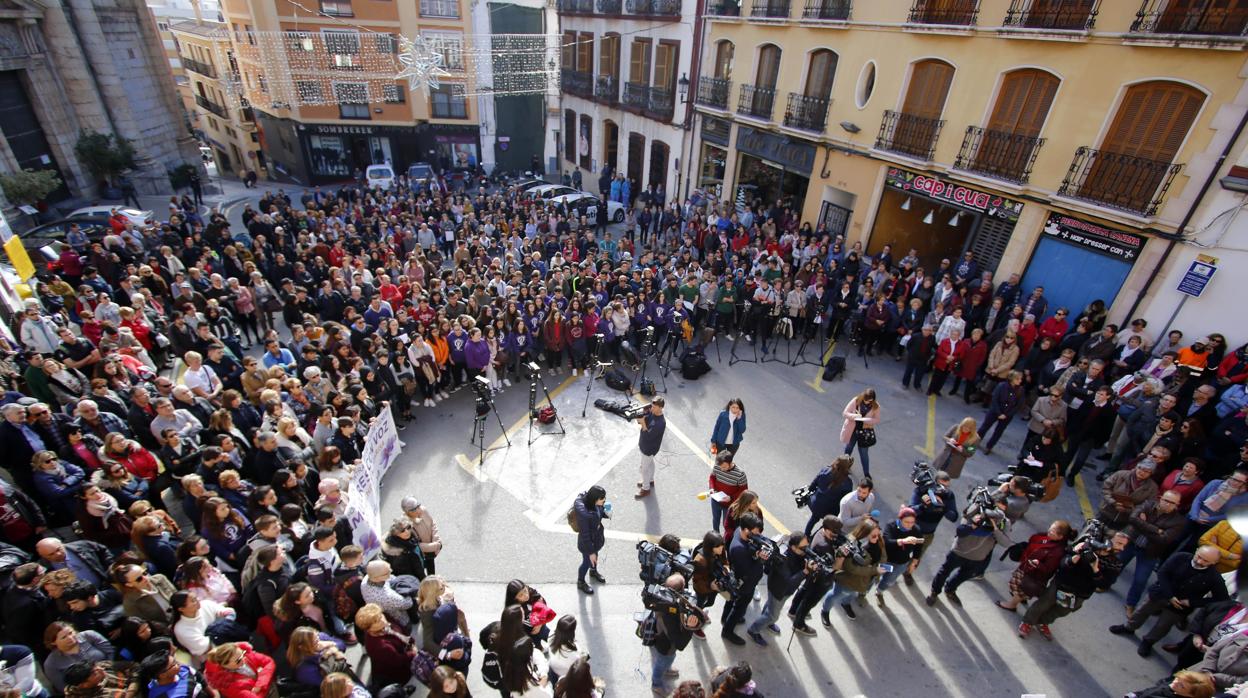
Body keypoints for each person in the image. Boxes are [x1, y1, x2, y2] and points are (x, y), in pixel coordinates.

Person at [1110, 546, 1229, 657]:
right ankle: (1129, 628)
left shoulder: (1214, 577)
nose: (1200, 561)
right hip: (1161, 593)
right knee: (1142, 611)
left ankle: (1148, 641)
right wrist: (1170, 596)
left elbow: (1221, 598)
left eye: (1206, 561)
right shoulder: (1181, 557)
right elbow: (1163, 573)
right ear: (1196, 551)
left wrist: (1192, 602)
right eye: (1199, 556)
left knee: (1163, 625)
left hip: (1180, 606)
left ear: (1214, 563)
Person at [1019, 532, 1127, 642]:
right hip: (1062, 583)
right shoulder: (1086, 546)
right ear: (1107, 541)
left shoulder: (1116, 563)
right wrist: (1075, 557)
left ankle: (1042, 622)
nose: (1122, 548)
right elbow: (1063, 563)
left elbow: (1104, 584)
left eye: (1124, 545)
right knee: (1044, 603)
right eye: (1119, 543)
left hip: (1080, 594)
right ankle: (1028, 622)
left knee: (1061, 611)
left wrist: (1095, 569)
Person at [927, 497, 1012, 607]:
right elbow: (961, 531)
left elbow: (1005, 543)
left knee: (962, 576)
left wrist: (995, 528)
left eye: (1000, 511)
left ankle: (950, 590)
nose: (995, 514)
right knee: (944, 572)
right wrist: (974, 524)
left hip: (978, 558)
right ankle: (934, 592)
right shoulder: (975, 511)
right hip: (958, 552)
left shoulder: (1004, 522)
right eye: (994, 509)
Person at [1117, 490, 1189, 617]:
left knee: (1140, 580)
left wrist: (1143, 524)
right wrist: (1156, 530)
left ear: (1177, 505)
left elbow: (1164, 540)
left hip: (1150, 552)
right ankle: (1104, 584)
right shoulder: (1148, 505)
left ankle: (1130, 604)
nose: (1167, 504)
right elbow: (1132, 518)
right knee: (1116, 565)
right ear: (1160, 498)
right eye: (1166, 500)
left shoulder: (1179, 521)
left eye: (1172, 503)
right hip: (1131, 543)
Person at [745, 531, 811, 646]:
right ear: (793, 547)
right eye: (803, 548)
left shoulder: (799, 554)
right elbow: (789, 582)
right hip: (778, 589)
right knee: (773, 615)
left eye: (807, 546)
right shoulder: (783, 558)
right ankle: (753, 629)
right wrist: (805, 571)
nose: (806, 550)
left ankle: (767, 621)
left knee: (770, 606)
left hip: (784, 590)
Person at [995, 520, 1073, 613]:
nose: (1049, 531)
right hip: (1028, 569)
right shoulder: (1050, 539)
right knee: (1020, 588)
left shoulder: (1057, 552)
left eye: (1052, 531)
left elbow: (1048, 569)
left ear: (1060, 537)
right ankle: (1020, 599)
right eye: (1050, 528)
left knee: (1021, 590)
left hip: (1033, 575)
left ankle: (1012, 605)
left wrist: (1038, 564)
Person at [820, 519, 885, 623]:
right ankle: (825, 610)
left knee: (851, 594)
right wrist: (874, 570)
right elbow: (852, 568)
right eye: (874, 536)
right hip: (849, 581)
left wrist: (881, 565)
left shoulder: (877, 539)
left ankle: (845, 603)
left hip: (865, 580)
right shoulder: (850, 546)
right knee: (835, 595)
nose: (877, 538)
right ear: (864, 535)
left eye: (879, 535)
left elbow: (883, 553)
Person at [721, 512, 771, 645]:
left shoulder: (740, 530)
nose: (758, 536)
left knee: (731, 602)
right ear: (746, 530)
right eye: (755, 533)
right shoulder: (739, 549)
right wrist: (760, 559)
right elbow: (748, 571)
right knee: (739, 608)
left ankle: (725, 618)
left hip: (743, 581)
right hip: (744, 585)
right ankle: (727, 630)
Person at [648, 573, 701, 697]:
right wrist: (690, 628)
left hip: (663, 638)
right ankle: (656, 684)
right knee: (662, 663)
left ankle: (667, 668)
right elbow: (680, 644)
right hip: (665, 646)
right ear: (679, 592)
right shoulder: (669, 613)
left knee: (668, 660)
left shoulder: (662, 595)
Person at [204, 642, 277, 698]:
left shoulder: (244, 656)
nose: (244, 659)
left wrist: (261, 684)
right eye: (238, 661)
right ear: (224, 665)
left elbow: (268, 661)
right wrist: (266, 680)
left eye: (243, 653)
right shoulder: (228, 684)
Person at [978, 370, 1025, 455]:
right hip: (995, 411)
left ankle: (989, 446)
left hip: (1007, 415)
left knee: (999, 431)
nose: (1020, 381)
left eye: (1020, 379)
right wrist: (999, 413)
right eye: (1017, 379)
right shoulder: (1001, 386)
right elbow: (995, 399)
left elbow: (1018, 405)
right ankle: (975, 441)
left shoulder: (1020, 390)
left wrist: (1006, 414)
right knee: (985, 426)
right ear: (1012, 379)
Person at [574, 486, 608, 594]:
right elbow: (585, 535)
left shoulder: (594, 504)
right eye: (602, 498)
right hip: (587, 543)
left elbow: (599, 514)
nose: (604, 500)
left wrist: (605, 513)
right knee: (587, 562)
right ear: (594, 499)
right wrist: (591, 552)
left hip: (596, 538)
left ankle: (593, 571)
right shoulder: (584, 515)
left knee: (595, 557)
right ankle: (581, 582)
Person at [839, 389, 880, 477]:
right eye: (865, 400)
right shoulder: (856, 401)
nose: (866, 402)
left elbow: (876, 420)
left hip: (864, 433)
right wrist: (855, 416)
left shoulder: (876, 406)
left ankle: (866, 474)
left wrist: (866, 420)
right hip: (852, 431)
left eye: (869, 401)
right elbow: (845, 413)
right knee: (848, 448)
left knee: (864, 454)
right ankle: (844, 467)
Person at [708, 451, 748, 534]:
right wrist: (711, 488)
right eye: (720, 467)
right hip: (716, 500)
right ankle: (716, 537)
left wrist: (731, 497)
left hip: (730, 504)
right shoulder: (717, 466)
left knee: (726, 524)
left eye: (724, 467)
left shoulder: (740, 474)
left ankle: (726, 540)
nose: (722, 469)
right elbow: (712, 477)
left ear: (730, 463)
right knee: (715, 520)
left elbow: (743, 491)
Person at [635, 397, 666, 499]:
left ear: (660, 408)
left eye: (654, 406)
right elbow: (643, 420)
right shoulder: (652, 412)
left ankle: (646, 488)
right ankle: (650, 480)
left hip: (649, 449)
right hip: (645, 446)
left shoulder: (660, 423)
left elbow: (648, 436)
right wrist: (642, 415)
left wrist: (643, 422)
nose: (651, 408)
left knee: (643, 469)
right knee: (650, 463)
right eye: (651, 406)